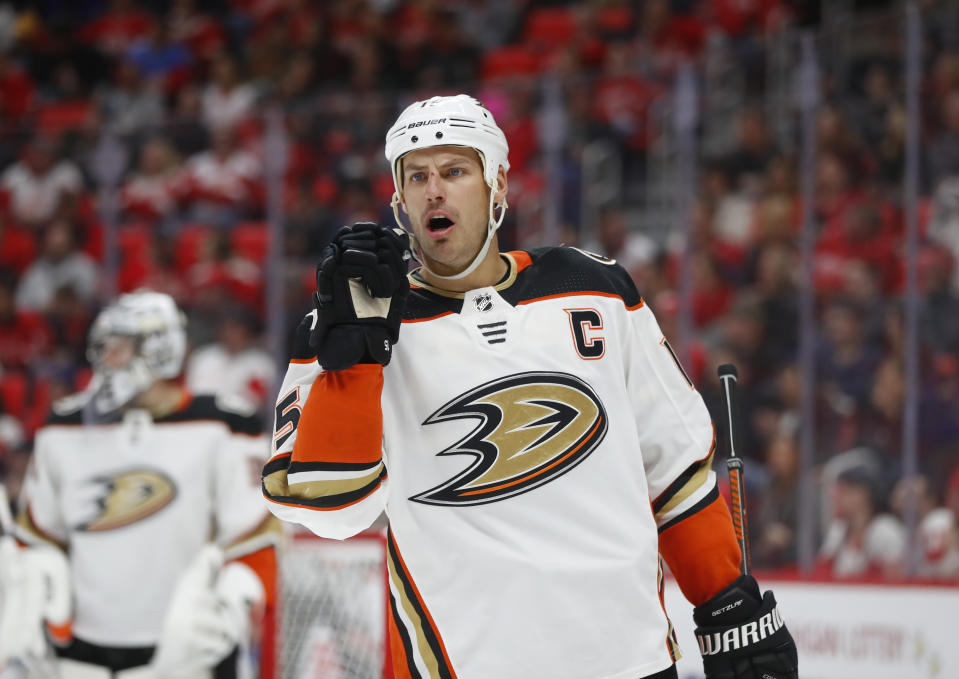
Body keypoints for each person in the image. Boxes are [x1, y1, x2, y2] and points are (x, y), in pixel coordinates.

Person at [262, 94, 798, 679]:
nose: (434, 190)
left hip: (630, 659)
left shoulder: (594, 288)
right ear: (398, 199)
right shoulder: (347, 324)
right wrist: (357, 359)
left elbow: (671, 468)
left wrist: (725, 602)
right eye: (416, 176)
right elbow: (331, 510)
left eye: (455, 171)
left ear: (498, 186)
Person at [0, 290, 282, 679]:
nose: (106, 360)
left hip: (183, 654)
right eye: (103, 347)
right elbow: (39, 538)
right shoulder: (63, 426)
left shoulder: (224, 424)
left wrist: (237, 603)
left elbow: (254, 538)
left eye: (120, 347)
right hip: (79, 654)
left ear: (161, 349)